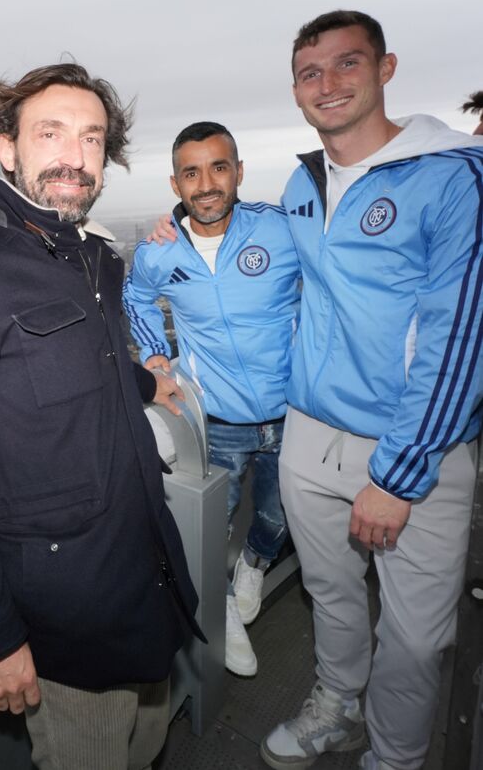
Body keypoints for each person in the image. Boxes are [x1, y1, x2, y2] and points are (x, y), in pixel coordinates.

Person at [0, 62, 203, 770]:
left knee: (148, 743)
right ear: (7, 149)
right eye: (52, 133)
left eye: (93, 139)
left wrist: (143, 381)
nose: (76, 156)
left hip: (142, 580)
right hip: (67, 618)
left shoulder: (91, 256)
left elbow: (80, 364)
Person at [257, 11, 483, 770]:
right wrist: (179, 231)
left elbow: (460, 336)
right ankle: (337, 706)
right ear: (294, 90)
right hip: (309, 434)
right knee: (331, 595)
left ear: (386, 69)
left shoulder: (453, 176)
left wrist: (400, 471)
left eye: (347, 64)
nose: (328, 85)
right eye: (310, 73)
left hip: (411, 449)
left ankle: (396, 757)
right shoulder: (301, 180)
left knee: (417, 637)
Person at [122, 121, 299, 678]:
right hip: (216, 418)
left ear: (238, 173)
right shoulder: (158, 253)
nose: (206, 184)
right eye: (191, 172)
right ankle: (222, 608)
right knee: (210, 526)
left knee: (276, 513)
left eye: (218, 167)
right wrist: (154, 358)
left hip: (295, 411)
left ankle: (255, 563)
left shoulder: (281, 229)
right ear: (176, 184)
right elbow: (136, 296)